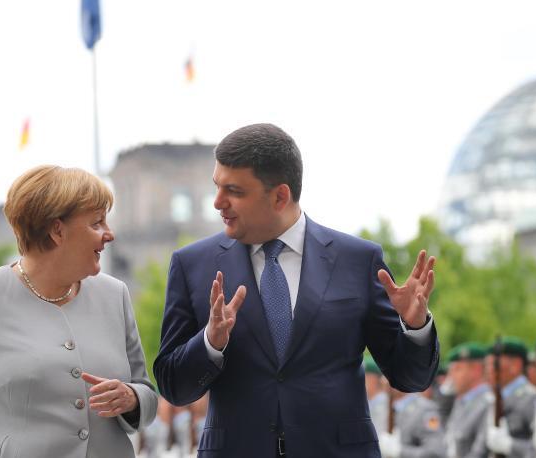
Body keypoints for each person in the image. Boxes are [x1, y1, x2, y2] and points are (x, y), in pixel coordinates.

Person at [153, 123, 440, 457]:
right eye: (217, 186)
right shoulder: (193, 265)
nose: (218, 202)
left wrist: (416, 326)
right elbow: (173, 387)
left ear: (280, 196)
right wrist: (210, 344)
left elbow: (411, 378)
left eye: (234, 191)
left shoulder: (359, 261)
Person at [0, 165, 157, 458]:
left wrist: (132, 399)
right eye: (97, 223)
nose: (109, 234)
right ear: (57, 230)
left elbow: (145, 392)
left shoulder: (115, 294)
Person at [477, 336, 536, 458]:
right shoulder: (492, 399)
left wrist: (510, 446)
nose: (488, 371)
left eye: (494, 364)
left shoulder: (531, 398)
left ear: (515, 365)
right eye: (487, 365)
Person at [442, 342, 488, 458]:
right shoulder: (461, 401)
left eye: (457, 369)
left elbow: (481, 451)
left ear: (476, 370)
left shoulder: (487, 403)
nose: (451, 376)